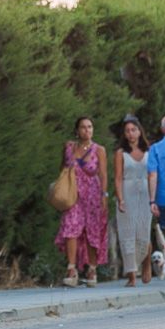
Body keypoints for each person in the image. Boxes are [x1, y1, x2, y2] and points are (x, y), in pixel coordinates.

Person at [54, 116, 108, 288]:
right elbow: (62, 167)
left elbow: (103, 174)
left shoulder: (99, 149)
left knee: (92, 231)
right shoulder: (69, 147)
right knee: (70, 227)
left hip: (92, 195)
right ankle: (71, 269)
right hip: (73, 194)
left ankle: (92, 269)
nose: (87, 130)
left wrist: (104, 195)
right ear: (77, 130)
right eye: (83, 127)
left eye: (90, 126)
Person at [113, 115, 153, 285]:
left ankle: (146, 263)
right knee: (127, 233)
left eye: (133, 130)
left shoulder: (149, 151)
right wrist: (120, 198)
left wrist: (154, 198)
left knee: (143, 232)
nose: (130, 133)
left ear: (139, 131)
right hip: (127, 194)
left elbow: (153, 175)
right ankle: (131, 274)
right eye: (127, 131)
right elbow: (118, 178)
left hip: (145, 194)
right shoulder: (121, 153)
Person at [146, 114, 165, 248]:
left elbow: (152, 175)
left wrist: (152, 200)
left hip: (164, 198)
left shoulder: (155, 148)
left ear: (162, 129)